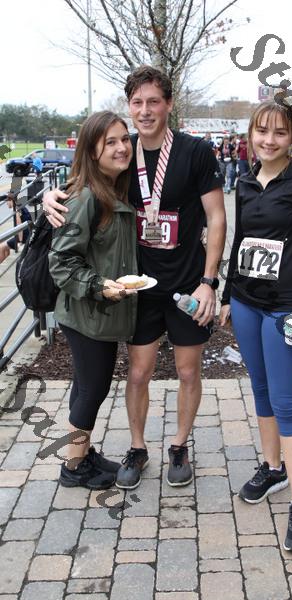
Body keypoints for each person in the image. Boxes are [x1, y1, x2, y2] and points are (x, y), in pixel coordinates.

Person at [43, 66, 226, 491]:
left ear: (169, 104)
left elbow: (217, 218)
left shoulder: (196, 152)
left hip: (188, 285)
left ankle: (179, 446)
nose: (145, 111)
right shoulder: (124, 153)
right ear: (129, 106)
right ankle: (138, 448)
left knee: (188, 372)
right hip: (136, 288)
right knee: (139, 373)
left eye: (153, 102)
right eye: (137, 103)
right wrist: (52, 195)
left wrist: (209, 282)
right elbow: (85, 182)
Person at [220, 100, 292, 552]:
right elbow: (240, 240)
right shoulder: (245, 181)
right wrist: (226, 296)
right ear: (250, 134)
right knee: (261, 389)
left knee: (286, 403)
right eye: (261, 131)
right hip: (246, 303)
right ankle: (273, 469)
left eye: (279, 132)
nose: (269, 140)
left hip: (285, 308)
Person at [48, 110, 138, 490]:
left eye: (124, 139)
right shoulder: (87, 196)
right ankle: (73, 467)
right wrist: (100, 285)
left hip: (96, 313)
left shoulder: (112, 187)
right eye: (110, 142)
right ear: (92, 150)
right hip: (87, 312)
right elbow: (61, 262)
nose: (122, 148)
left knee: (86, 385)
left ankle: (82, 453)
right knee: (93, 388)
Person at [0, 194, 32, 263]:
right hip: (28, 233)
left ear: (11, 201)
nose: (6, 204)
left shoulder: (16, 210)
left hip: (24, 237)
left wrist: (20, 242)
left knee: (1, 247)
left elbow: (19, 226)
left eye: (7, 201)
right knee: (5, 248)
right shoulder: (21, 206)